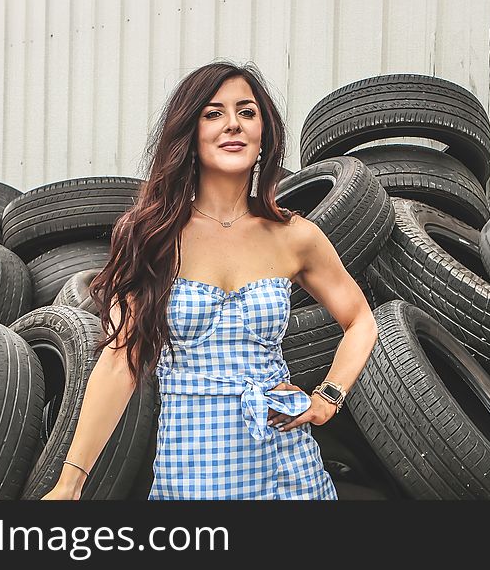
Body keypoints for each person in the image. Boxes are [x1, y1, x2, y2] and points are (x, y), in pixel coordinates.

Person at [42, 61, 377, 500]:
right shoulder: (152, 236)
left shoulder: (294, 235)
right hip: (193, 469)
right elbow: (119, 361)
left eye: (247, 112)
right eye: (213, 113)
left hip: (286, 466)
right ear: (190, 134)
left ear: (264, 135)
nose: (233, 124)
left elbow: (360, 321)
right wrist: (70, 483)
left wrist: (327, 399)